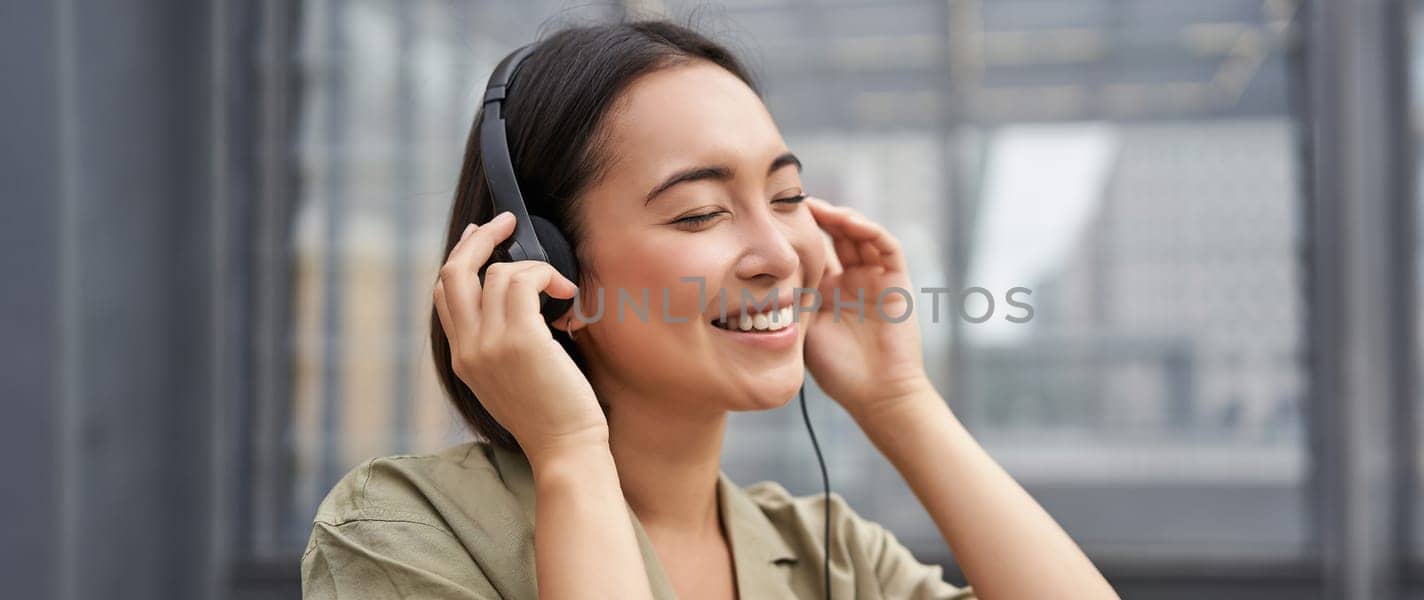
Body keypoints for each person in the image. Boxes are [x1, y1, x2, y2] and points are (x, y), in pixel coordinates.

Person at [301, 19, 1117, 600]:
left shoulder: (823, 556)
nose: (782, 254)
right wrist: (572, 456)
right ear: (547, 267)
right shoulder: (404, 534)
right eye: (699, 213)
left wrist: (899, 403)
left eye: (788, 195)